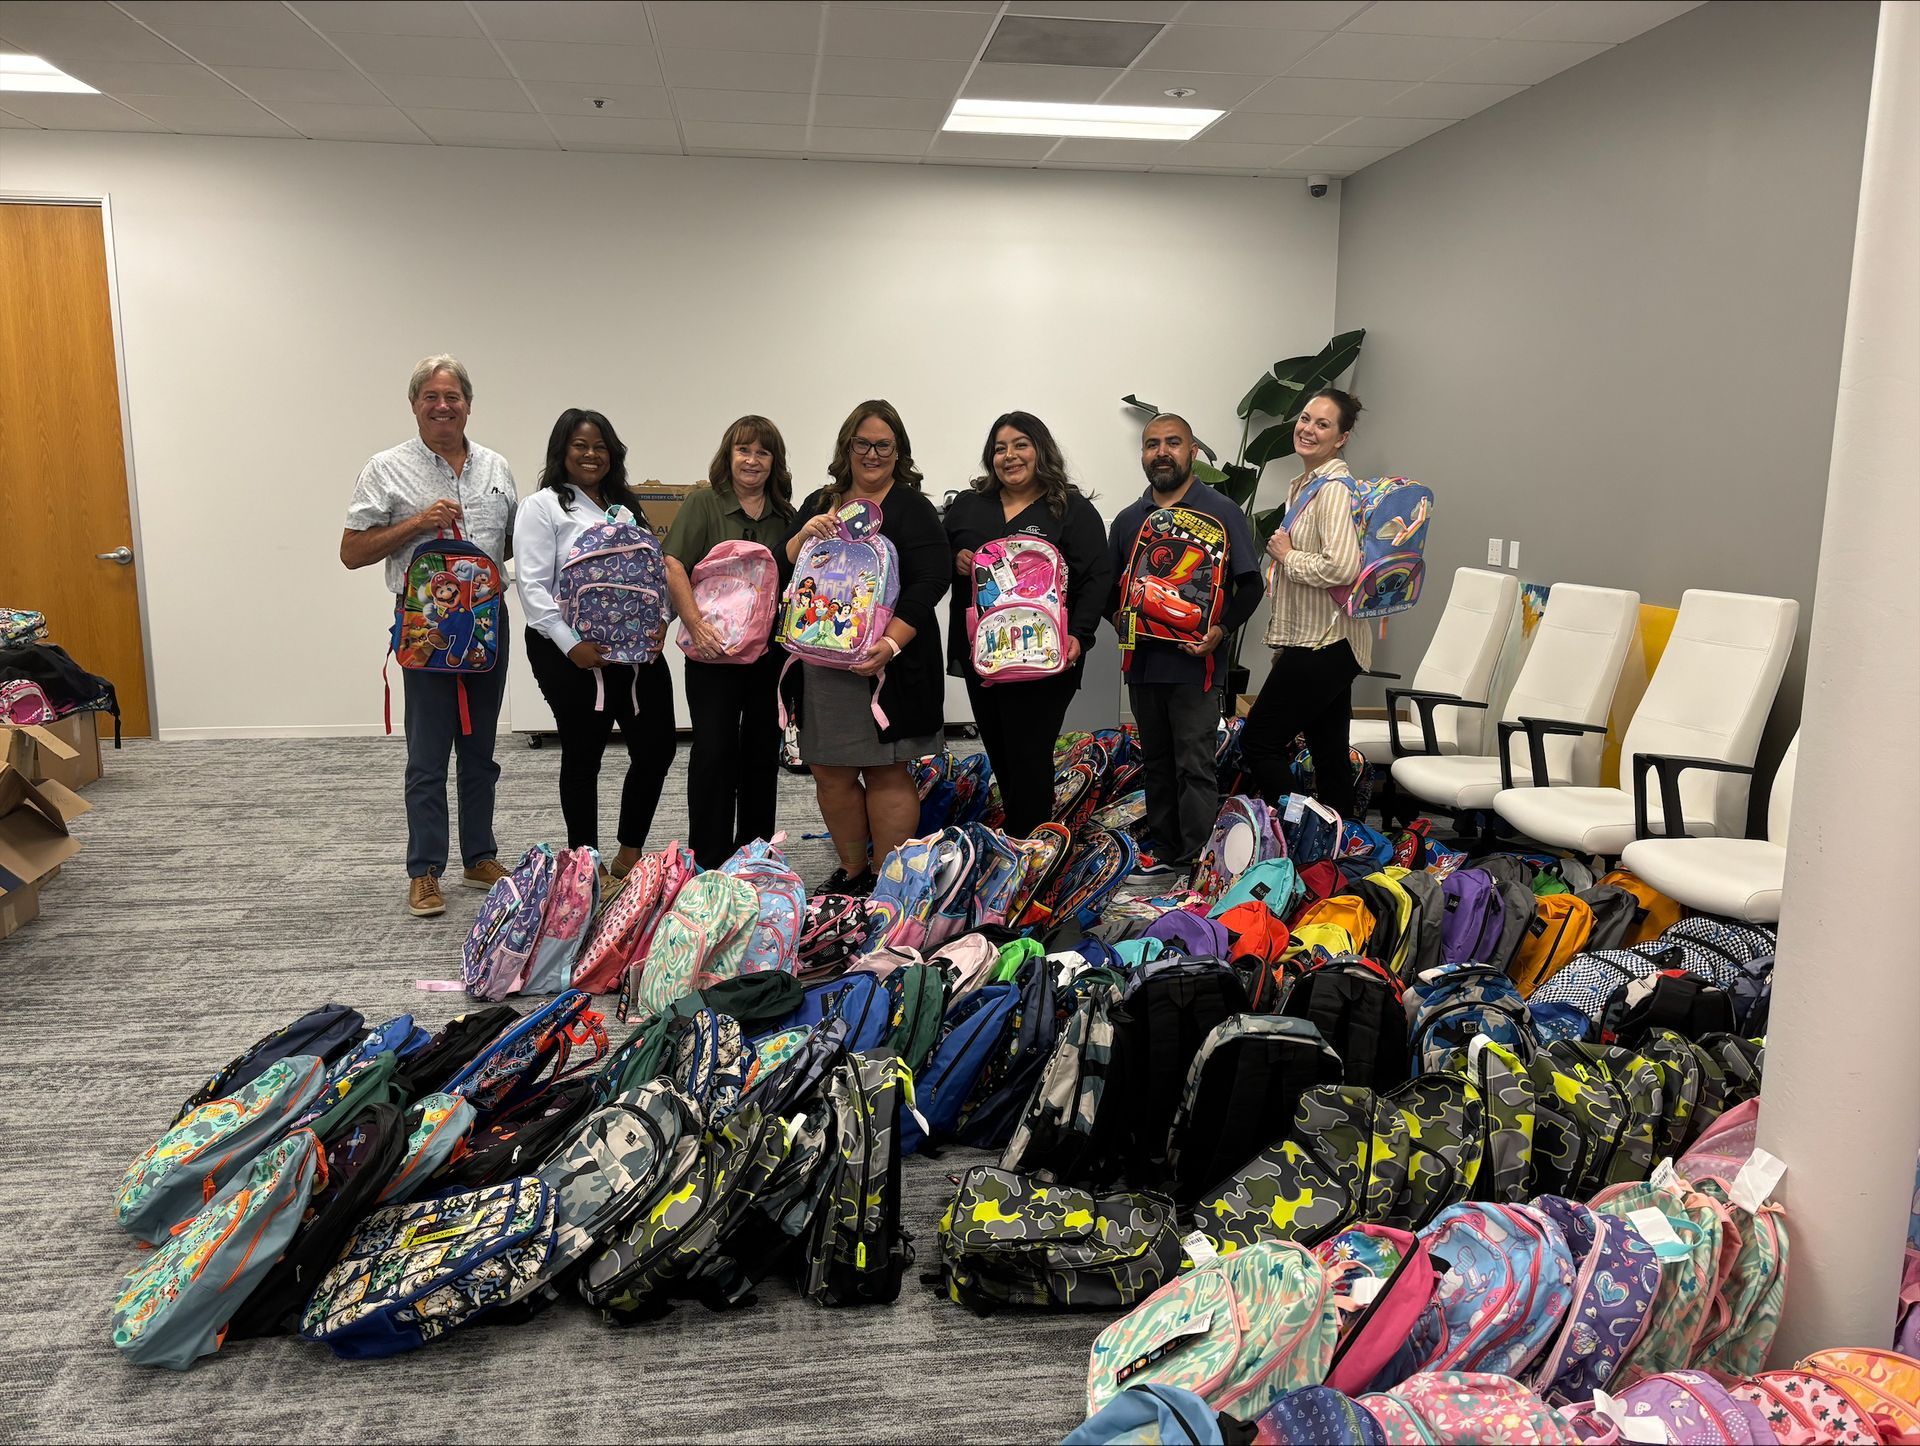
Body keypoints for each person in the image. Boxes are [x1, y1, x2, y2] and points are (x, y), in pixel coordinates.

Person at [342, 354, 517, 919]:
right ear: (415, 405)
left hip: (487, 621)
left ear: (468, 404)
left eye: (453, 397)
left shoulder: (497, 467)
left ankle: (479, 855)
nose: (443, 407)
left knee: (481, 748)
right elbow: (351, 551)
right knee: (427, 753)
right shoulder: (385, 468)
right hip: (425, 624)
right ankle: (425, 870)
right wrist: (417, 524)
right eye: (431, 398)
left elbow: (510, 545)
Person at [785, 399, 951, 894]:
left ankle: (886, 878)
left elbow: (932, 579)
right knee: (830, 771)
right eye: (864, 443)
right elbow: (784, 567)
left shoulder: (912, 507)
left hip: (889, 665)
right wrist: (802, 537)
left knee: (887, 771)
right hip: (820, 664)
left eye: (884, 445)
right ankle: (853, 869)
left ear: (898, 452)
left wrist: (891, 643)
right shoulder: (820, 501)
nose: (873, 454)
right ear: (847, 447)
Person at [514, 407, 676, 882]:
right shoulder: (542, 506)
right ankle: (586, 865)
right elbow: (533, 587)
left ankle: (628, 857)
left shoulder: (625, 506)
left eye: (600, 446)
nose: (591, 454)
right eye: (580, 445)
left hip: (636, 651)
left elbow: (652, 572)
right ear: (562, 450)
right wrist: (571, 645)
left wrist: (661, 620)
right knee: (584, 755)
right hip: (568, 652)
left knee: (657, 747)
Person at [1106, 413, 1262, 883]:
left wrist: (1222, 631)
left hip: (1196, 665)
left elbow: (1250, 585)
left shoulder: (1221, 510)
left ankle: (1197, 860)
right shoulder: (1131, 519)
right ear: (1143, 454)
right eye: (1152, 444)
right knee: (1153, 761)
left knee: (1194, 763)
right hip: (1144, 663)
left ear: (1192, 451)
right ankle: (1165, 849)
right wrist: (1117, 619)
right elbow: (1107, 589)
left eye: (1173, 442)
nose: (1161, 452)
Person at [944, 411, 1112, 836]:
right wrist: (956, 562)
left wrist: (1081, 635)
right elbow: (933, 565)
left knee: (1030, 753)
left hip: (1045, 652)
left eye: (1020, 444)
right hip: (983, 655)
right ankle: (1022, 835)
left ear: (1040, 450)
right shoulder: (967, 507)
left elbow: (1097, 576)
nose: (1009, 455)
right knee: (1001, 751)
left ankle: (1032, 852)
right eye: (999, 448)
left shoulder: (1070, 509)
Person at [664, 415, 796, 869]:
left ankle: (755, 858)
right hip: (712, 655)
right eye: (744, 450)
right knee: (715, 752)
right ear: (729, 455)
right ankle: (708, 858)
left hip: (767, 659)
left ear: (774, 462)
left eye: (763, 452)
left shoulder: (786, 516)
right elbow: (673, 564)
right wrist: (696, 624)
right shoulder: (704, 503)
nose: (752, 460)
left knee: (762, 754)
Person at [1238, 388, 1372, 820]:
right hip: (1323, 641)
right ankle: (1346, 843)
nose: (1307, 429)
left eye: (1323, 424)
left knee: (1258, 741)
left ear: (1341, 438)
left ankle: (1306, 826)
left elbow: (1341, 568)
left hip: (1324, 644)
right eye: (1305, 418)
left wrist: (1286, 555)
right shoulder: (1307, 485)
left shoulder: (1332, 489)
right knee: (1329, 753)